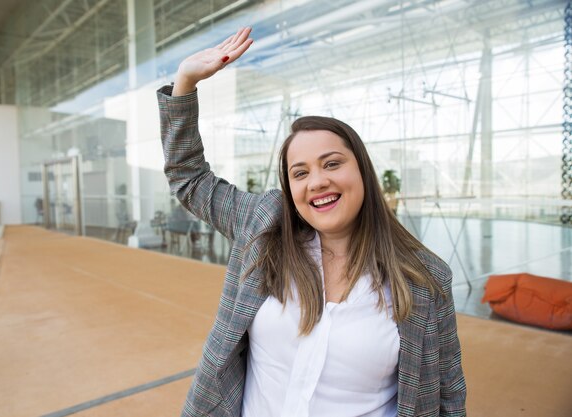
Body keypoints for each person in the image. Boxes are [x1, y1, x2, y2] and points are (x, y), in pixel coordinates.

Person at [158, 27, 466, 417]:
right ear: (289, 189)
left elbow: (447, 396)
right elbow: (189, 176)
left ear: (362, 172)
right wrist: (185, 82)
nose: (317, 181)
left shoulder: (425, 280)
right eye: (299, 173)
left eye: (332, 163)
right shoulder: (263, 224)